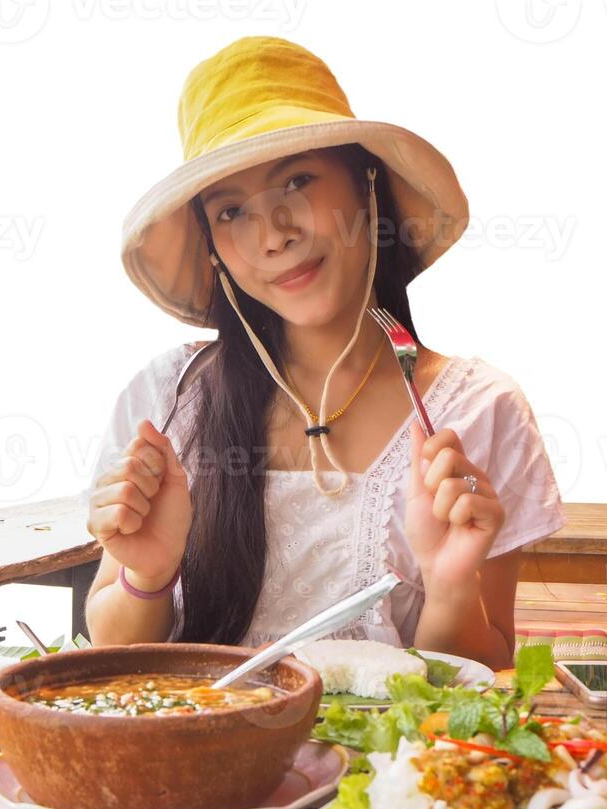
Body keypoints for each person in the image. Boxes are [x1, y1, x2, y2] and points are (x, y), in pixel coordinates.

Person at [85, 36, 563, 669]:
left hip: (387, 768)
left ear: (368, 185)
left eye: (298, 180)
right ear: (212, 248)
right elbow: (113, 652)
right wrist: (146, 576)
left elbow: (490, 672)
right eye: (231, 211)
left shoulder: (480, 409)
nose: (274, 235)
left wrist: (449, 590)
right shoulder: (168, 399)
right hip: (199, 760)